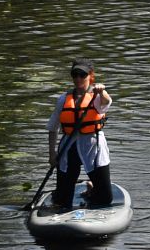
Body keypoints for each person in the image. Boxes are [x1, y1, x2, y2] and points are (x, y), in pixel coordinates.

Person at [49, 59, 115, 209]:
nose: (78, 78)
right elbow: (53, 127)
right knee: (62, 200)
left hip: (93, 148)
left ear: (90, 76)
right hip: (68, 148)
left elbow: (107, 102)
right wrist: (52, 154)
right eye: (75, 74)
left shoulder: (97, 96)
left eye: (82, 74)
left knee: (105, 199)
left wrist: (102, 90)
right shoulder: (63, 99)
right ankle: (62, 195)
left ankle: (92, 189)